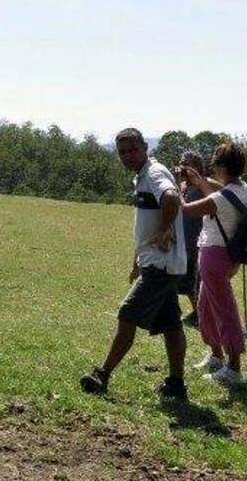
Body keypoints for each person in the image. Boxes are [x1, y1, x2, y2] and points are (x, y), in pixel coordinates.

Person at [80, 128, 188, 401]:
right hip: (158, 262)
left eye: (133, 150)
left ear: (144, 148)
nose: (128, 156)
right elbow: (147, 221)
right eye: (122, 152)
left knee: (128, 313)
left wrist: (165, 231)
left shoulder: (153, 173)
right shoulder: (143, 175)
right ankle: (176, 384)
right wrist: (138, 260)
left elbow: (172, 198)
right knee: (172, 324)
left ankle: (102, 374)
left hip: (161, 265)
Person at [180, 142, 247, 387]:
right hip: (223, 254)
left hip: (214, 255)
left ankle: (233, 368)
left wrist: (177, 190)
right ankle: (216, 356)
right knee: (205, 308)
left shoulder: (219, 199)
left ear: (222, 166)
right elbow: (220, 189)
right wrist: (200, 181)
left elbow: (186, 210)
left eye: (215, 163)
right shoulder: (243, 189)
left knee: (224, 311)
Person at [177, 151, 206, 328]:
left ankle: (201, 313)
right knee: (185, 282)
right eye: (181, 163)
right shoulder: (182, 186)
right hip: (182, 240)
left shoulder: (203, 187)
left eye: (186, 163)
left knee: (196, 282)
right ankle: (197, 311)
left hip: (197, 240)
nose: (182, 167)